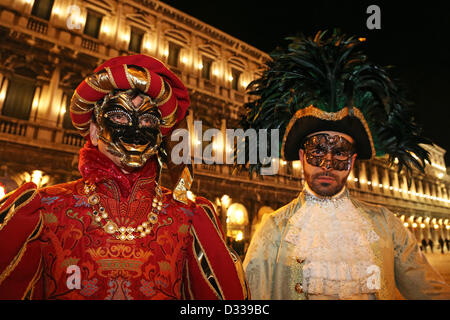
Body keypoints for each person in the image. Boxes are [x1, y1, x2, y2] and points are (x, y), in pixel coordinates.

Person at [0, 55, 248, 300]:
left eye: (149, 120)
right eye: (119, 116)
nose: (135, 130)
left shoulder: (189, 218)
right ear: (95, 131)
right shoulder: (44, 209)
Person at [240, 31, 450, 300]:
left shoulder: (386, 225)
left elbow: (431, 291)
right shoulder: (274, 229)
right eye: (317, 151)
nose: (327, 164)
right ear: (302, 157)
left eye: (339, 153)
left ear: (351, 161)